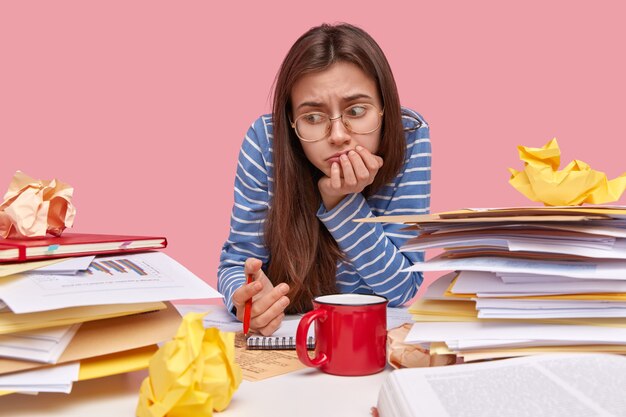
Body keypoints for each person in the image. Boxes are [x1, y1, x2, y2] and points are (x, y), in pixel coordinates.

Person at [217, 22, 431, 335]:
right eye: (313, 118)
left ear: (385, 108)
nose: (339, 136)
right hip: (289, 337)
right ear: (291, 122)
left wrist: (341, 202)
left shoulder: (410, 135)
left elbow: (401, 290)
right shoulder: (266, 142)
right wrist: (246, 300)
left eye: (356, 111)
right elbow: (237, 264)